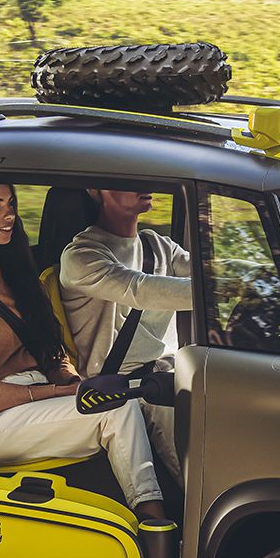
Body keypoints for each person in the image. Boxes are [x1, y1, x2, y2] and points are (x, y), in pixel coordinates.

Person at [0, 181, 167, 525]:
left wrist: (71, 380)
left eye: (12, 204)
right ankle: (155, 525)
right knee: (117, 411)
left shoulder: (18, 271)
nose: (9, 215)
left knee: (131, 398)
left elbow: (52, 348)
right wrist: (53, 392)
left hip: (42, 398)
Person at [57, 187, 192, 465]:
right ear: (98, 191)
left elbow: (205, 270)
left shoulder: (157, 245)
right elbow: (139, 289)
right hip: (124, 388)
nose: (147, 187)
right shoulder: (82, 256)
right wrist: (227, 287)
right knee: (205, 471)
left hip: (174, 374)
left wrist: (264, 273)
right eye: (131, 179)